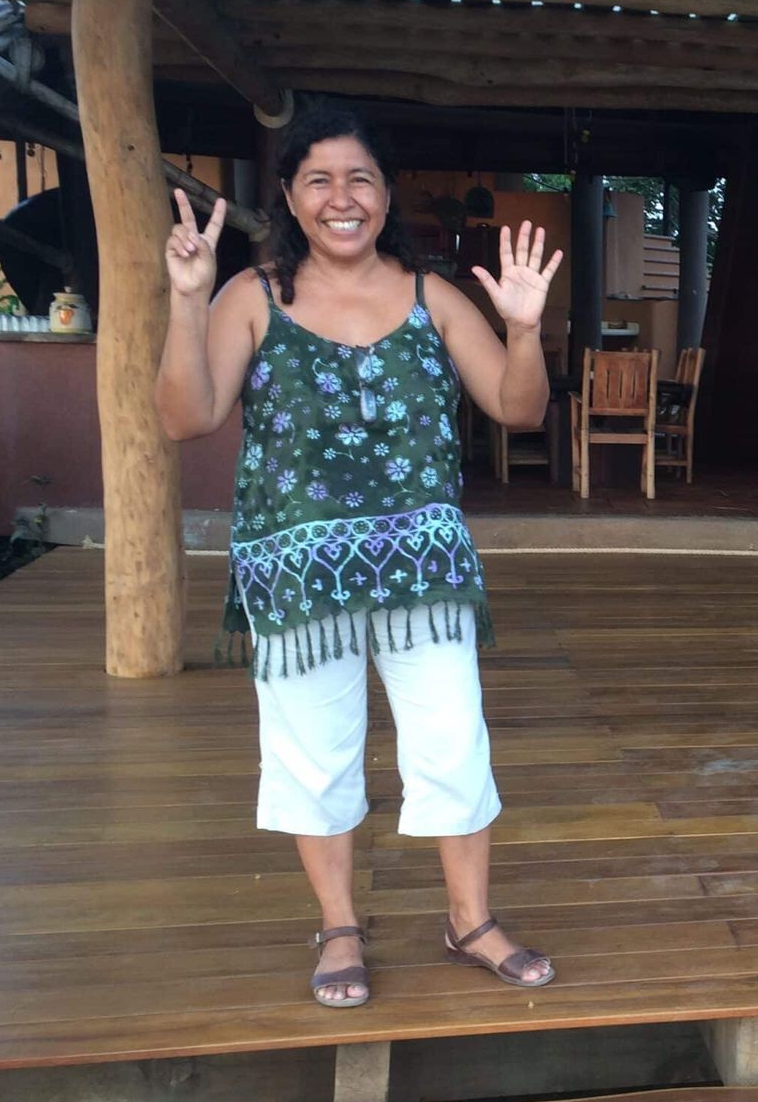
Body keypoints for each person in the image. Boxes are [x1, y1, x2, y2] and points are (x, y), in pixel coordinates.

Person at [156, 105, 560, 1006]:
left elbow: (517, 408)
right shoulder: (249, 297)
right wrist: (187, 302)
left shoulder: (432, 295)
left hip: (422, 568)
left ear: (385, 196)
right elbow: (186, 417)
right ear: (293, 202)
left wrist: (525, 328)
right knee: (311, 753)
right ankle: (339, 924)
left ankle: (470, 920)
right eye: (320, 181)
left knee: (454, 742)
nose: (343, 198)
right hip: (296, 576)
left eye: (360, 179)